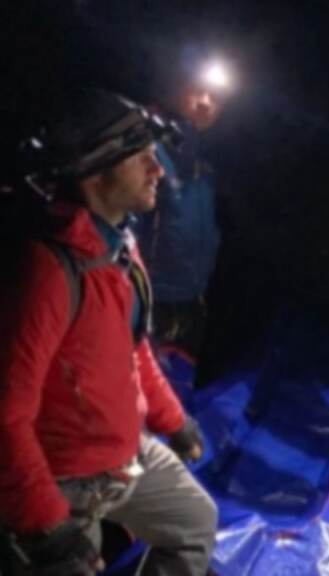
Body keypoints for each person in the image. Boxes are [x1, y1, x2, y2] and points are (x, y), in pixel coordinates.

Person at [0, 88, 216, 576]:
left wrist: (172, 420)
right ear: (95, 174)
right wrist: (46, 526)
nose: (157, 169)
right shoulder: (48, 270)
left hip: (124, 452)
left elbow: (132, 349)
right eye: (141, 158)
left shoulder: (119, 245)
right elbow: (7, 415)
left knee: (195, 522)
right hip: (65, 478)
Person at [132, 49, 233, 359]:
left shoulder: (205, 161)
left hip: (193, 298)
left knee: (180, 381)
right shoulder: (146, 149)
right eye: (197, 90)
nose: (205, 102)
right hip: (148, 298)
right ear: (173, 87)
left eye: (215, 97)